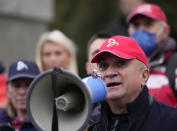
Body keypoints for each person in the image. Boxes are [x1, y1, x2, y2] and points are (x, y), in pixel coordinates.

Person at [87, 35, 177, 131]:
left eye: (121, 63)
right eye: (104, 66)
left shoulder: (172, 121)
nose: (109, 73)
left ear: (144, 76)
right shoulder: (88, 123)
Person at [127, 3, 177, 107]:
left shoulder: (174, 66)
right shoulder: (123, 69)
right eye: (136, 25)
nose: (141, 30)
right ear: (129, 31)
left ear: (165, 31)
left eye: (148, 24)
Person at [0, 59, 40, 131]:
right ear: (7, 91)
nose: (22, 92)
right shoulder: (2, 121)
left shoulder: (51, 124)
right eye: (16, 86)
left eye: (28, 85)